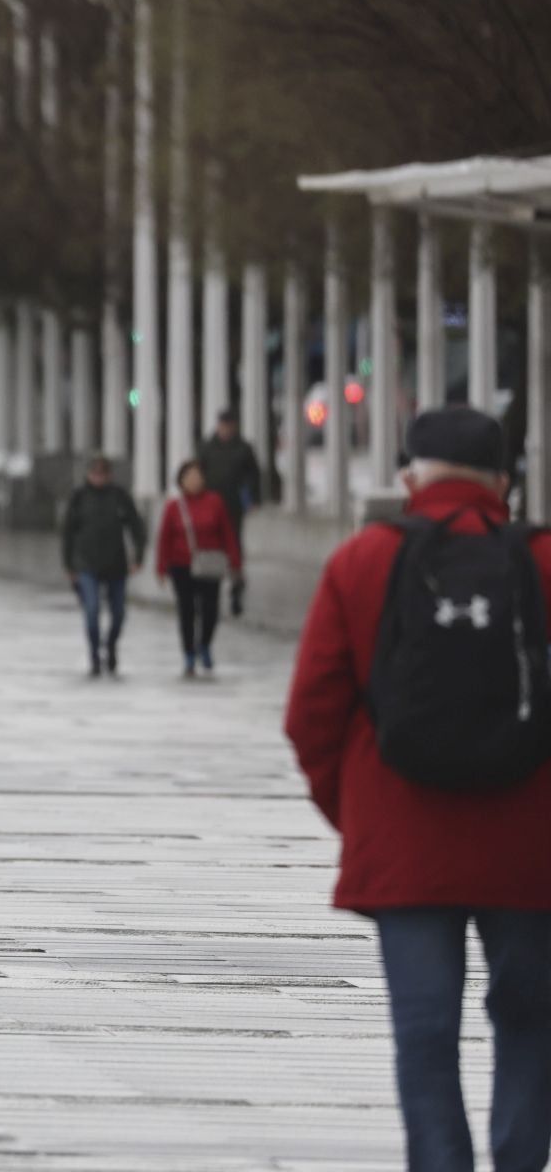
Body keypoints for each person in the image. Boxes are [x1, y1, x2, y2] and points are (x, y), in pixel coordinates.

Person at [286, 406, 551, 1172]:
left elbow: (311, 716)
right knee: (531, 1019)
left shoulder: (363, 560)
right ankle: (520, 1159)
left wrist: (359, 814)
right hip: (530, 846)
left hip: (404, 844)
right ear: (504, 480)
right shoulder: (540, 561)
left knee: (426, 1032)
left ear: (409, 476)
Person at [60, 454, 148, 677]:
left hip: (116, 564)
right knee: (92, 611)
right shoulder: (79, 497)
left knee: (118, 614)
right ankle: (94, 653)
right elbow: (67, 533)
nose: (99, 477)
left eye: (103, 473)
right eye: (95, 473)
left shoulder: (119, 497)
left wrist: (138, 557)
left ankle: (110, 645)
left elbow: (136, 527)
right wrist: (68, 565)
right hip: (86, 564)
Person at [155, 460, 241, 677]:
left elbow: (227, 533)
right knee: (187, 610)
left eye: (197, 476)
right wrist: (161, 567)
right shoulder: (174, 506)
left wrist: (235, 561)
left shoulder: (215, 502)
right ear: (181, 481)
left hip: (209, 563)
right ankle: (189, 652)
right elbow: (164, 538)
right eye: (189, 477)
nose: (194, 481)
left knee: (210, 609)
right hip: (181, 564)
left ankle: (205, 644)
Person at [198, 410, 263, 615]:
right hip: (210, 507)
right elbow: (197, 474)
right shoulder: (207, 448)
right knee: (212, 546)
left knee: (233, 544)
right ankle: (212, 587)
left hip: (233, 506)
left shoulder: (243, 449)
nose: (225, 429)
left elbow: (254, 475)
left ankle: (236, 582)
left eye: (229, 425)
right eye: (223, 425)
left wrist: (253, 498)